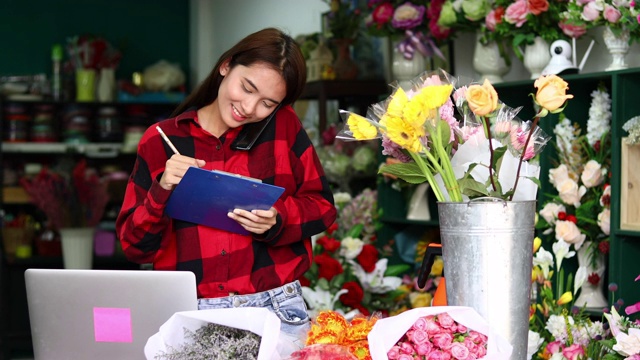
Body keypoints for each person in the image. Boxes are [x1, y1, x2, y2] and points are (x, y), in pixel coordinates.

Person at [115, 27, 337, 345]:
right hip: (190, 314)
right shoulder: (161, 139)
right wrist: (162, 188)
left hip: (275, 311)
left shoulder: (284, 127)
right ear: (226, 66)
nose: (249, 108)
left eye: (267, 103)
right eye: (246, 88)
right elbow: (135, 248)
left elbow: (323, 207)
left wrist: (278, 218)